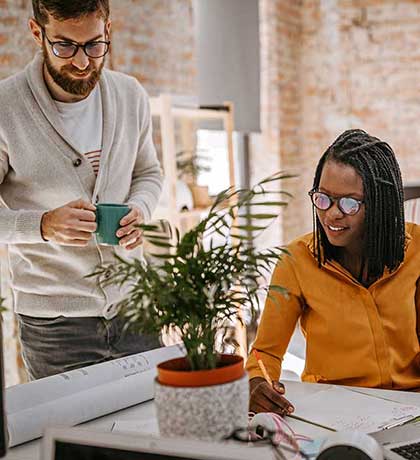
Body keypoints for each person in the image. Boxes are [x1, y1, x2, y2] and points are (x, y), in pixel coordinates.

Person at [0, 0, 163, 379]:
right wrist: (42, 226)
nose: (82, 62)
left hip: (135, 306)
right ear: (37, 33)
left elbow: (149, 173)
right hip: (54, 325)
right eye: (65, 46)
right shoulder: (6, 107)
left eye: (93, 44)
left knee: (150, 430)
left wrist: (141, 208)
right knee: (73, 438)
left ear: (108, 30)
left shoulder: (130, 95)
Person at [247, 129, 420, 415]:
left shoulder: (415, 251)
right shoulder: (296, 261)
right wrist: (257, 382)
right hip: (334, 411)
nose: (331, 214)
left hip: (410, 407)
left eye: (349, 203)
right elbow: (263, 353)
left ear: (380, 204)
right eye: (323, 198)